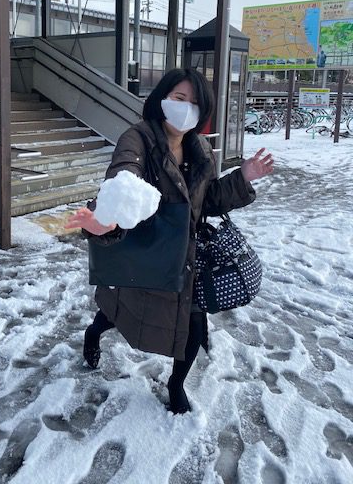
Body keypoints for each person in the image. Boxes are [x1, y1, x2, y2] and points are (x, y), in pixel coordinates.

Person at [66, 68, 274, 414]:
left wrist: (243, 177)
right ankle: (94, 332)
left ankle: (176, 384)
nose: (186, 108)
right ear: (162, 99)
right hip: (145, 250)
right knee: (119, 310)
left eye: (194, 103)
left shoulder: (200, 148)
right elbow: (124, 175)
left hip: (186, 257)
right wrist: (110, 215)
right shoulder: (138, 139)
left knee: (192, 321)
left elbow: (207, 201)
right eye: (179, 98)